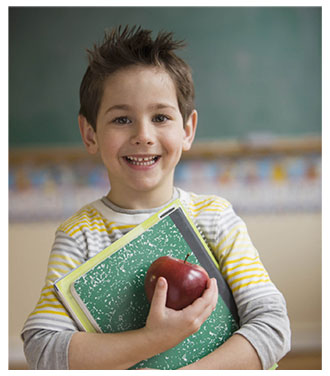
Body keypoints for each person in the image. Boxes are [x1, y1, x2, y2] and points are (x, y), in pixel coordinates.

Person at [21, 25, 290, 370]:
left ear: (187, 130)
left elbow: (272, 327)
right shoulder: (79, 235)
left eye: (160, 117)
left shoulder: (214, 217)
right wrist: (154, 340)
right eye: (122, 119)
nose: (143, 135)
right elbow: (43, 348)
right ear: (90, 135)